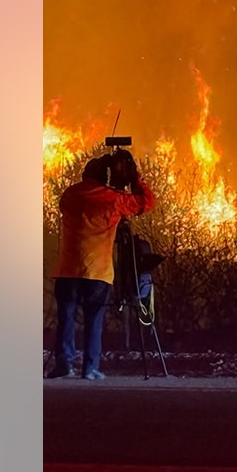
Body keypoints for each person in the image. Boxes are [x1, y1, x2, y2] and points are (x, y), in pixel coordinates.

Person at [48, 149, 155, 380]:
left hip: (68, 270)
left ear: (85, 174)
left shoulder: (69, 195)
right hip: (97, 272)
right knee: (93, 319)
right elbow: (146, 202)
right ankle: (90, 368)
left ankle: (64, 363)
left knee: (66, 318)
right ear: (106, 177)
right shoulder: (114, 200)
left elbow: (66, 207)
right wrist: (134, 177)